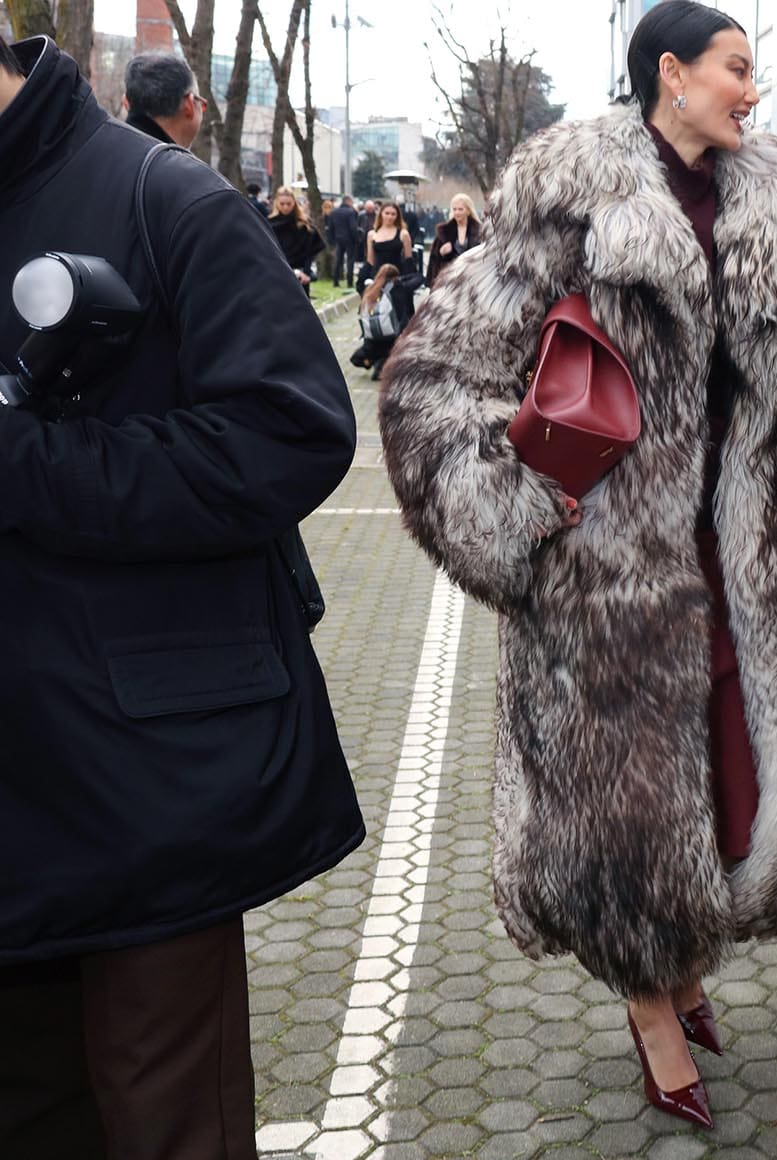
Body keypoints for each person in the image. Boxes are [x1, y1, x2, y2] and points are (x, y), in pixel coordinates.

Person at [379, 0, 777, 1132]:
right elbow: (432, 381)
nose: (754, 89)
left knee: (732, 773)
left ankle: (684, 965)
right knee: (626, 799)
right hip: (602, 563)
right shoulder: (567, 211)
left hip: (748, 560)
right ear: (671, 73)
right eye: (737, 67)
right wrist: (515, 505)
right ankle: (654, 1001)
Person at [0, 35, 362, 1160]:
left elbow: (292, 433)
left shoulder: (165, 196)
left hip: (143, 780)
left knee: (164, 1124)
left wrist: (25, 461)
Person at [122, 50, 203, 150]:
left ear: (126, 103)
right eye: (202, 104)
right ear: (189, 105)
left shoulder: (100, 148)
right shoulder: (181, 165)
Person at [266, 185, 325, 294]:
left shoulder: (303, 224)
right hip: (277, 274)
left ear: (294, 203)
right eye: (282, 204)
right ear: (276, 203)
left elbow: (310, 251)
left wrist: (306, 273)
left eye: (289, 204)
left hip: (300, 276)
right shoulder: (269, 224)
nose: (285, 207)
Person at [426, 192, 482, 285]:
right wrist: (441, 253)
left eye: (460, 209)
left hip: (472, 279)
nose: (457, 212)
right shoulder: (444, 231)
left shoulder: (480, 231)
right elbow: (434, 260)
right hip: (449, 280)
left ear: (468, 211)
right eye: (454, 209)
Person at [361, 200, 410, 293]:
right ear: (381, 214)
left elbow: (408, 259)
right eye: (387, 213)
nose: (390, 217)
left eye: (393, 214)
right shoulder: (372, 234)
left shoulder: (403, 234)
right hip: (377, 276)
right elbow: (370, 260)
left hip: (397, 276)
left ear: (397, 216)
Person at [328, 193, 361, 287]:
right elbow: (353, 227)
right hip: (350, 239)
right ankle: (349, 282)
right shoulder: (351, 212)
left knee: (338, 260)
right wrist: (357, 239)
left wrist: (332, 240)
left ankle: (335, 281)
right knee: (350, 261)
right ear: (348, 201)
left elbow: (330, 227)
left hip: (338, 239)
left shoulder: (334, 212)